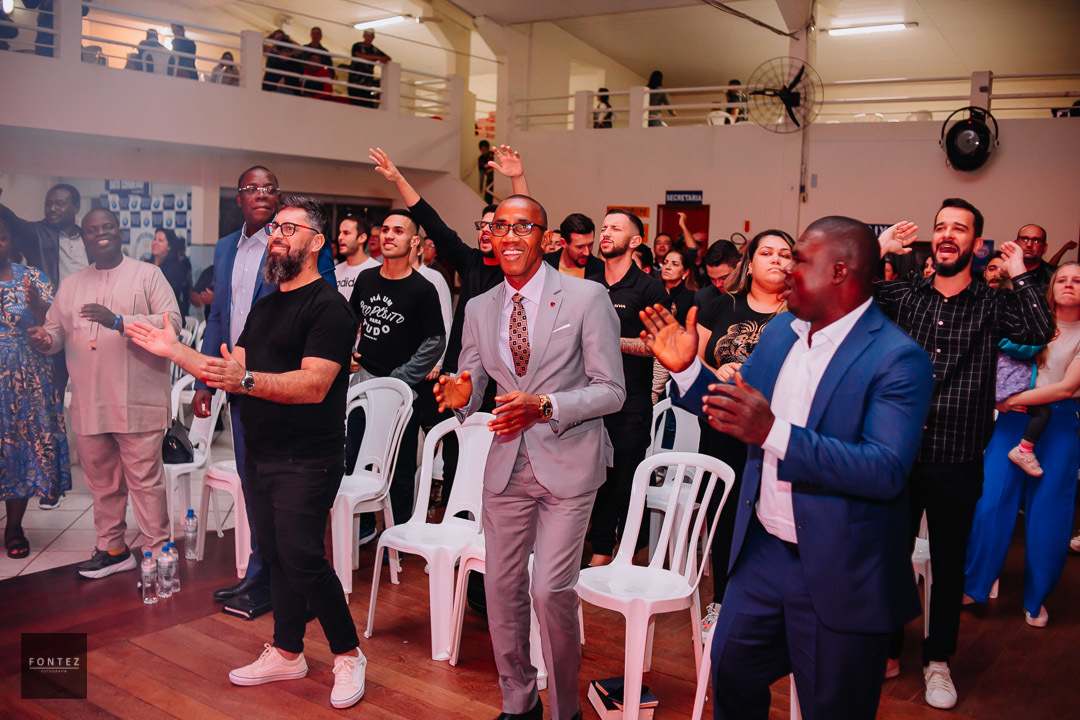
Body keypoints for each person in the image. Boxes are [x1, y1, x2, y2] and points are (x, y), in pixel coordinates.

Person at [642, 215, 934, 720]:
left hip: (841, 565)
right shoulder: (781, 331)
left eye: (799, 260)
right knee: (731, 674)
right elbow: (738, 405)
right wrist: (687, 370)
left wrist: (772, 432)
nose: (785, 270)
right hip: (763, 553)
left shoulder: (897, 357)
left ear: (839, 272)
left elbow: (885, 470)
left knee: (832, 705)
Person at [126, 196, 366, 710]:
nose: (276, 235)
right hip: (259, 449)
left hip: (308, 456)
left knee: (302, 556)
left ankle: (348, 653)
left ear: (316, 243)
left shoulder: (329, 308)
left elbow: (314, 385)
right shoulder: (265, 305)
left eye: (289, 229)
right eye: (274, 227)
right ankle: (287, 651)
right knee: (273, 553)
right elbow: (228, 369)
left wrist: (247, 380)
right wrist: (174, 351)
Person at [435, 193, 625, 720]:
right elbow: (471, 384)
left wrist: (544, 405)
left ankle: (565, 709)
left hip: (570, 463)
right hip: (505, 465)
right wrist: (460, 396)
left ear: (546, 238)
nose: (510, 236)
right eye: (500, 226)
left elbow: (612, 390)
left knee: (549, 590)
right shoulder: (479, 307)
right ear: (489, 236)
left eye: (523, 226)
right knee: (501, 591)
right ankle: (519, 702)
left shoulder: (586, 297)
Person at [875, 198, 1055, 709]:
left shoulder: (991, 303)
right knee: (890, 554)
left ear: (976, 244)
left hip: (957, 454)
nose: (948, 234)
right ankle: (888, 649)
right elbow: (846, 296)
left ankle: (938, 660)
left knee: (949, 560)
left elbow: (1039, 330)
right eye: (941, 227)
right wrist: (878, 248)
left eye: (960, 228)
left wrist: (1020, 274)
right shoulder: (906, 294)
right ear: (933, 239)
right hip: (899, 451)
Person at [192, 165, 334, 604]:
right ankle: (261, 572)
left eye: (270, 188)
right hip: (238, 383)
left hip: (283, 384)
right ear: (238, 198)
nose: (262, 194)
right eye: (252, 188)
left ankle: (287, 581)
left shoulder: (298, 245)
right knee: (251, 482)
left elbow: (320, 302)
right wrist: (205, 382)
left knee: (285, 491)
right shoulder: (224, 248)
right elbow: (219, 316)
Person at [29, 208, 180, 578]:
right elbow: (57, 331)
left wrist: (119, 321)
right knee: (102, 484)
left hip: (137, 400)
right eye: (92, 229)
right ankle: (112, 549)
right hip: (89, 400)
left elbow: (171, 324)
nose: (100, 234)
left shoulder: (148, 275)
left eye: (107, 227)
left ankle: (159, 554)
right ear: (83, 238)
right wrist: (46, 339)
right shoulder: (71, 284)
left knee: (145, 483)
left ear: (120, 232)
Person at [691, 229, 794, 638]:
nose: (776, 259)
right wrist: (717, 371)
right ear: (749, 265)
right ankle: (722, 599)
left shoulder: (799, 314)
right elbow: (693, 361)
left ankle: (771, 608)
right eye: (766, 252)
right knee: (724, 514)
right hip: (722, 426)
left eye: (784, 253)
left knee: (771, 518)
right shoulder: (719, 306)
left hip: (775, 428)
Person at [965, 261, 1080, 627]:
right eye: (1062, 279)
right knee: (990, 503)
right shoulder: (1030, 320)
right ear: (1051, 287)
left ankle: (1036, 598)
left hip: (1059, 422)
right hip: (1014, 420)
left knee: (1049, 515)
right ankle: (977, 583)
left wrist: (1012, 399)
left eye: (1078, 280)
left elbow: (1067, 388)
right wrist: (997, 397)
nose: (1069, 285)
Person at [348, 208, 445, 525]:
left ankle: (399, 533)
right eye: (386, 229)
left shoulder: (423, 289)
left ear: (415, 242)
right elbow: (350, 321)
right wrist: (348, 352)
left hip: (403, 392)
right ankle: (362, 528)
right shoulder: (366, 279)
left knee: (401, 467)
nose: (389, 235)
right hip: (364, 384)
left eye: (399, 231)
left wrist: (399, 380)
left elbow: (435, 341)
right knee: (356, 459)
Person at [584, 209, 669, 568]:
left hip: (630, 402)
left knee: (622, 481)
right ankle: (596, 545)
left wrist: (610, 341)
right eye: (604, 227)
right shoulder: (589, 283)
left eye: (616, 228)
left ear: (635, 241)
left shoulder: (649, 288)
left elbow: (659, 345)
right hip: (589, 398)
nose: (606, 232)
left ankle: (611, 551)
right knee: (591, 477)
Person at [0, 217, 71, 558]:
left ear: (10, 241)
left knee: (22, 448)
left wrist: (38, 306)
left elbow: (55, 324)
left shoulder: (33, 278)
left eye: (0, 237)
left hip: (27, 379)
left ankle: (14, 527)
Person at [1014, 224, 1076, 291]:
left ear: (1044, 248)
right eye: (1025, 239)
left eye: (1036, 241)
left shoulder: (1054, 276)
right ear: (1015, 243)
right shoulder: (1005, 272)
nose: (1029, 244)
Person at [543, 212, 603, 279]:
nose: (587, 252)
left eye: (590, 245)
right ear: (563, 243)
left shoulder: (601, 269)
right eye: (580, 247)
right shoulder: (543, 264)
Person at [148, 228, 192, 317]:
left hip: (167, 316)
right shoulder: (146, 264)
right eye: (154, 239)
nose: (155, 242)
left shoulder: (176, 268)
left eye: (160, 240)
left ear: (169, 247)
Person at [333, 215, 380, 299]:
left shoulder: (377, 270)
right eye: (340, 233)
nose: (340, 238)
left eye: (346, 233)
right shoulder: (335, 271)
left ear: (362, 238)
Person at [692, 239, 740, 315]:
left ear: (739, 269)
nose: (718, 284)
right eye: (712, 279)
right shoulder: (703, 297)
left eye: (724, 278)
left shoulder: (754, 295)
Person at [347, 30, 390, 108]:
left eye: (370, 36)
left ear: (373, 37)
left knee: (367, 106)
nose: (368, 37)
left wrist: (379, 58)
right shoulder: (357, 46)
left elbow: (387, 58)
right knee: (355, 105)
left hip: (367, 84)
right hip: (355, 82)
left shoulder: (374, 49)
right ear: (364, 36)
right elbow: (358, 55)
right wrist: (377, 57)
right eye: (367, 35)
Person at [660, 245, 696, 324]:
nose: (667, 267)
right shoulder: (654, 290)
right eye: (665, 263)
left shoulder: (691, 297)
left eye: (675, 264)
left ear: (685, 273)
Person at [302, 26, 334, 98]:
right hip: (306, 78)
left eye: (317, 34)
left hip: (320, 81)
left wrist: (325, 78)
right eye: (314, 34)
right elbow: (300, 64)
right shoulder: (305, 49)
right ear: (311, 35)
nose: (315, 36)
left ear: (321, 36)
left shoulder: (325, 52)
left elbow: (331, 69)